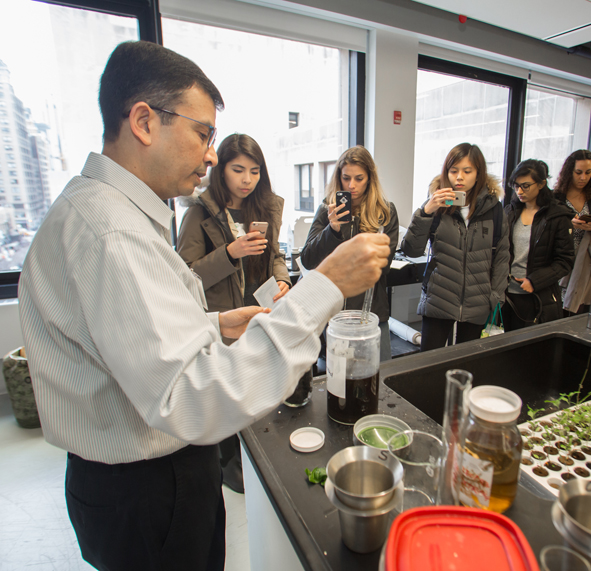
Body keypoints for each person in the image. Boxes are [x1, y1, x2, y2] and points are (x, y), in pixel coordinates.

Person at [18, 41, 389, 571]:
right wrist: (325, 286)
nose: (212, 155)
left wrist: (212, 324)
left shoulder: (107, 214)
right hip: (147, 487)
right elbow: (191, 397)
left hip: (138, 477)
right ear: (144, 121)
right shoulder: (110, 234)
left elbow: (134, 336)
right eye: (203, 133)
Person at [176, 133, 290, 494]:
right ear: (220, 169)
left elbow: (276, 254)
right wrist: (230, 253)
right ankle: (229, 464)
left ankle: (255, 456)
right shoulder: (200, 211)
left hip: (262, 309)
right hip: (223, 319)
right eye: (238, 169)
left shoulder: (266, 207)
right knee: (225, 395)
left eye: (255, 171)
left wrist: (283, 278)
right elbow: (186, 274)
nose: (247, 180)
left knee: (256, 386)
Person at [400, 143, 509, 351]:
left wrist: (494, 298)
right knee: (429, 362)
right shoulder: (435, 205)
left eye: (467, 171)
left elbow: (502, 257)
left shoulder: (494, 209)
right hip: (438, 299)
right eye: (453, 171)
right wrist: (426, 211)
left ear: (478, 174)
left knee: (465, 362)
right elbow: (411, 250)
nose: (459, 177)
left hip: (478, 301)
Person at [301, 146, 399, 361]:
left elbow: (382, 267)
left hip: (371, 313)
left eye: (359, 178)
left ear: (370, 178)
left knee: (378, 380)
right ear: (339, 177)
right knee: (337, 382)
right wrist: (332, 230)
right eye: (346, 178)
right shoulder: (327, 209)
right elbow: (308, 260)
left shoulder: (385, 212)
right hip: (334, 315)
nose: (352, 185)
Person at [502, 159, 574, 329]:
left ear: (541, 183)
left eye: (525, 186)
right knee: (507, 346)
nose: (519, 191)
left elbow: (565, 261)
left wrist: (535, 281)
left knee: (530, 349)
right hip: (508, 293)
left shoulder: (557, 216)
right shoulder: (510, 211)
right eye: (516, 185)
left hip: (537, 295)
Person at [553, 149, 591, 314]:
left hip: (585, 261)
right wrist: (566, 223)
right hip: (560, 259)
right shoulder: (556, 197)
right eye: (578, 172)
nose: (583, 178)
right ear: (569, 172)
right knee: (556, 307)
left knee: (578, 308)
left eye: (588, 173)